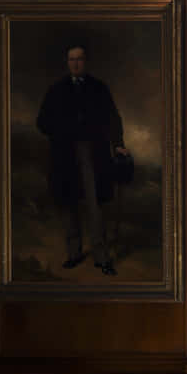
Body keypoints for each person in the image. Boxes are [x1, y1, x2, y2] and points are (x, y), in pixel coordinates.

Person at [36, 43, 127, 275]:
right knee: (69, 203)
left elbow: (113, 119)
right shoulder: (56, 89)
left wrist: (118, 145)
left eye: (80, 59)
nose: (76, 63)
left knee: (95, 205)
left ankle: (101, 257)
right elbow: (42, 122)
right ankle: (74, 253)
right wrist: (62, 131)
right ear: (67, 63)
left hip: (93, 153)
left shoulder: (99, 88)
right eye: (72, 59)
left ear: (85, 62)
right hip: (65, 154)